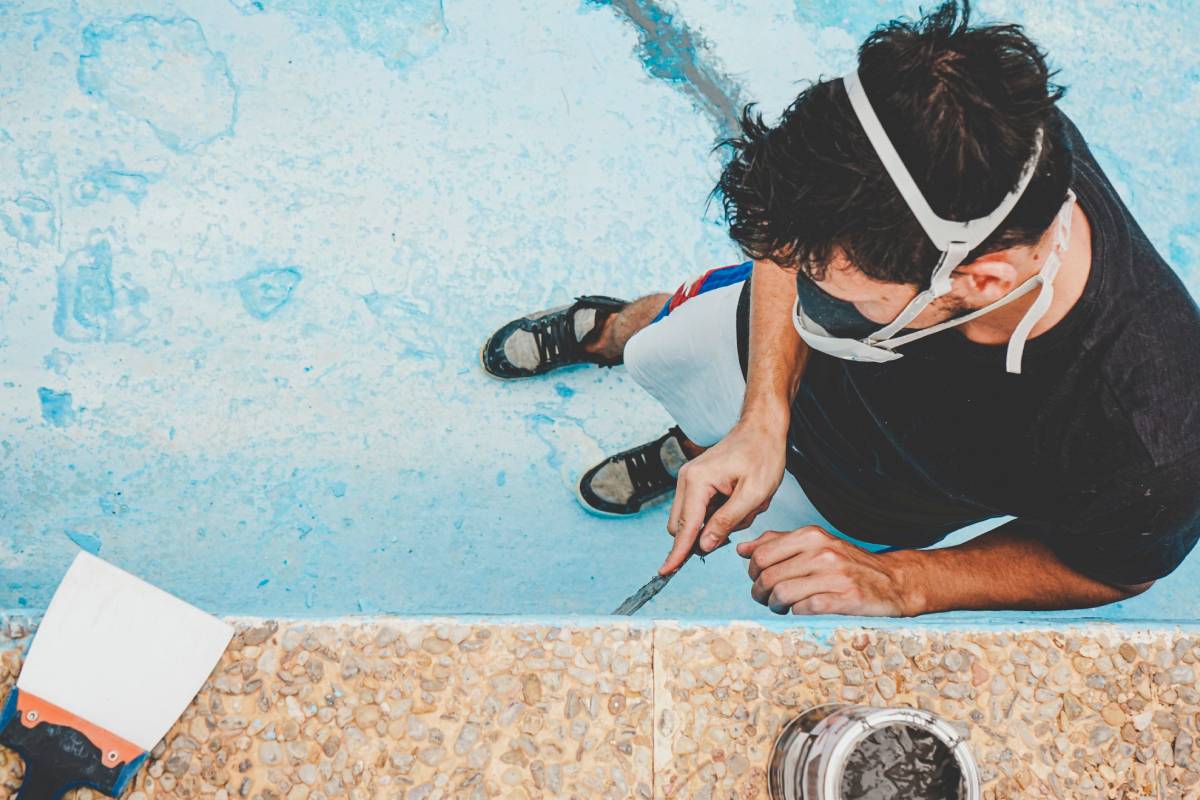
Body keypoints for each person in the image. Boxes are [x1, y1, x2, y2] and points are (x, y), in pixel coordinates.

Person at [480, 0, 1200, 616]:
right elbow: (784, 244)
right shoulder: (956, 135)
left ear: (980, 279)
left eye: (832, 288)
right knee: (655, 339)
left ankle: (683, 453)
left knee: (711, 432)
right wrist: (762, 416)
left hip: (865, 499)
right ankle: (613, 330)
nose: (796, 272)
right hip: (758, 349)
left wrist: (903, 579)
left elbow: (1115, 566)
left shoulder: (1154, 441)